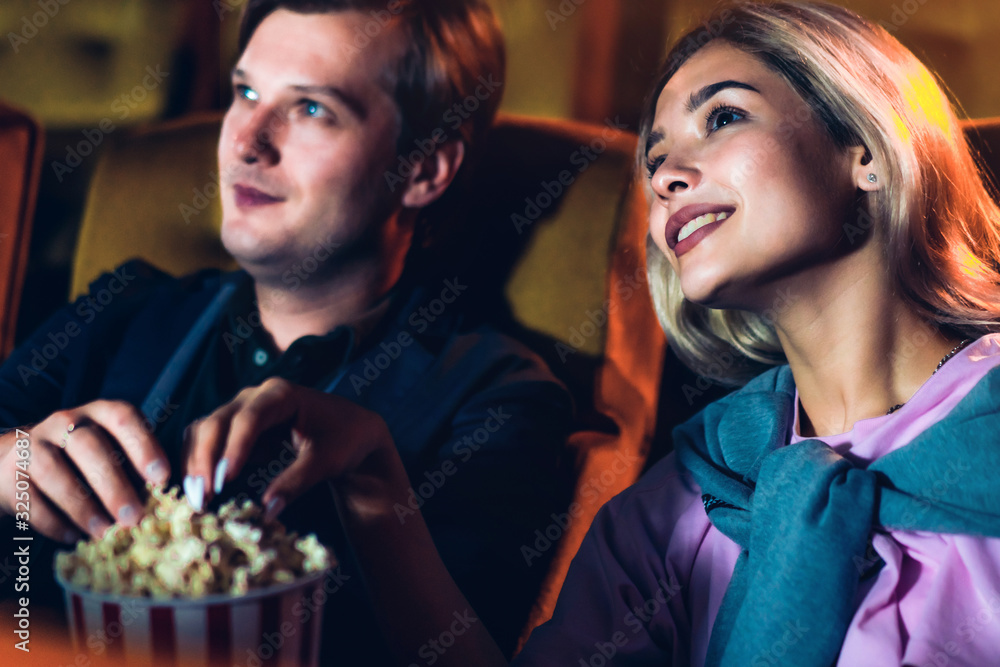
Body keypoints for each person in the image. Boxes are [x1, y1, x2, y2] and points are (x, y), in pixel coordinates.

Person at [173, 1, 1000, 665]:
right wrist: (375, 483)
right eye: (655, 157)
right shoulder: (681, 501)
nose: (668, 177)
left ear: (867, 150)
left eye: (723, 118)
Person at [0, 1, 573, 664]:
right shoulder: (124, 304)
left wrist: (376, 491)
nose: (245, 140)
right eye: (245, 92)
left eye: (311, 109)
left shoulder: (497, 394)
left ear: (425, 170)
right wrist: (10, 460)